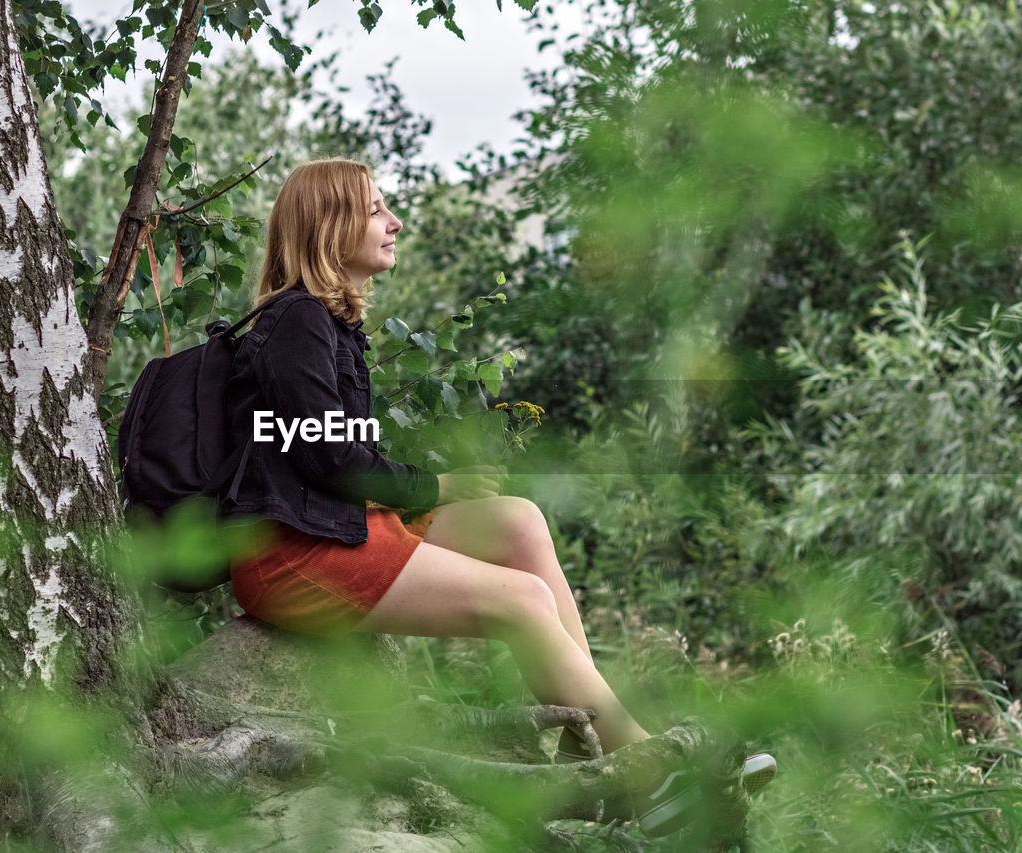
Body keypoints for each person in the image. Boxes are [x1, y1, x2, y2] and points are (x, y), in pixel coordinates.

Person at [221, 158, 773, 835]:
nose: (394, 223)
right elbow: (329, 455)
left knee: (516, 521)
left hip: (335, 527)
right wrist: (434, 486)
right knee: (524, 601)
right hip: (295, 554)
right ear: (331, 226)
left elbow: (328, 453)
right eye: (375, 210)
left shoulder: (326, 323)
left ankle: (589, 743)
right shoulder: (297, 320)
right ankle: (650, 777)